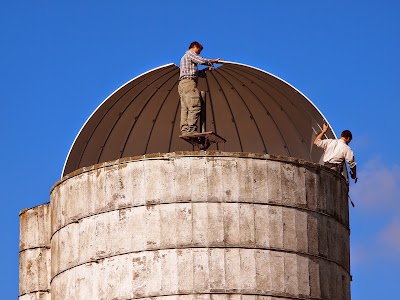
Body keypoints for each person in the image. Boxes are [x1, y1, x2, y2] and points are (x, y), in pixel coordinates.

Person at [178, 41, 220, 135]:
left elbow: (193, 73)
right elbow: (200, 60)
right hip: (189, 83)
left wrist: (204, 71)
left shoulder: (185, 58)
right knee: (195, 106)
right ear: (194, 46)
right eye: (199, 50)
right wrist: (213, 61)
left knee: (185, 108)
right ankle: (191, 129)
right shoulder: (189, 54)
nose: (199, 52)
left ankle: (185, 130)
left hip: (183, 84)